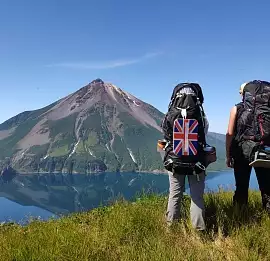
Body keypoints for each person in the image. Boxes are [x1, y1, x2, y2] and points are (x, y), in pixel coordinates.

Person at [161, 83, 210, 231]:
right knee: (196, 196)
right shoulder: (199, 114)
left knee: (175, 194)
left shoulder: (170, 114)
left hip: (174, 161)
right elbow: (204, 133)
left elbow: (165, 134)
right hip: (196, 162)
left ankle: (171, 228)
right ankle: (199, 230)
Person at [226, 81, 270, 212]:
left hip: (241, 152)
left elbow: (229, 134)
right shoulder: (267, 110)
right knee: (267, 187)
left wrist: (228, 155)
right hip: (263, 150)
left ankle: (240, 216)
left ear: (244, 94)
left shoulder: (236, 109)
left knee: (241, 186)